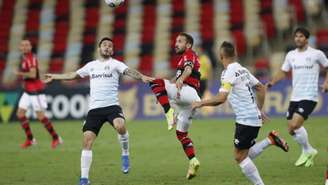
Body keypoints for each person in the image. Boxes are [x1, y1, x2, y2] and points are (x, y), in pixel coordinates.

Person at [44, 37, 154, 185]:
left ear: (112, 50)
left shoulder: (115, 64)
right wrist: (55, 76)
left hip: (112, 107)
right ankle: (84, 179)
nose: (107, 47)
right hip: (94, 110)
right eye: (104, 45)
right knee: (87, 141)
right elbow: (73, 75)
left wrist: (142, 77)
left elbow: (128, 71)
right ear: (99, 49)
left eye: (110, 46)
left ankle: (125, 153)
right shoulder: (91, 66)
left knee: (120, 126)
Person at [192, 41, 289, 185]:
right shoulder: (242, 69)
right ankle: (271, 140)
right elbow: (261, 88)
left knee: (240, 157)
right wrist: (259, 109)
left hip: (246, 119)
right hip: (250, 117)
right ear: (235, 54)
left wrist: (200, 103)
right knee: (243, 154)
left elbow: (221, 98)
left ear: (220, 56)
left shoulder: (228, 73)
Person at [267, 27, 328, 167]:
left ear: (306, 39)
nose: (298, 39)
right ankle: (308, 150)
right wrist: (272, 82)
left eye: (301, 36)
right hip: (295, 96)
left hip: (309, 96)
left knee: (295, 124)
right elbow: (283, 72)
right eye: (296, 36)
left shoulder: (316, 54)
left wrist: (326, 83)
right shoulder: (291, 55)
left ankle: (307, 150)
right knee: (290, 129)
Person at [149, 32, 201, 179]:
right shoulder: (183, 59)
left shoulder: (189, 54)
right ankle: (193, 160)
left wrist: (181, 79)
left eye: (179, 41)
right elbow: (176, 78)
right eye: (176, 41)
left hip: (187, 92)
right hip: (189, 103)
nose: (175, 44)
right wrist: (170, 85)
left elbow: (188, 69)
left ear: (188, 45)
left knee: (155, 82)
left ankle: (169, 113)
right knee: (181, 134)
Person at [15, 39, 62, 149]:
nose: (25, 47)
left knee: (41, 117)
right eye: (23, 45)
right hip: (28, 92)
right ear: (20, 48)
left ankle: (56, 138)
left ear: (31, 47)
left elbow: (32, 74)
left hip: (36, 92)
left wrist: (19, 73)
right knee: (20, 114)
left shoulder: (31, 58)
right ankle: (31, 139)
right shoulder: (25, 58)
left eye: (27, 45)